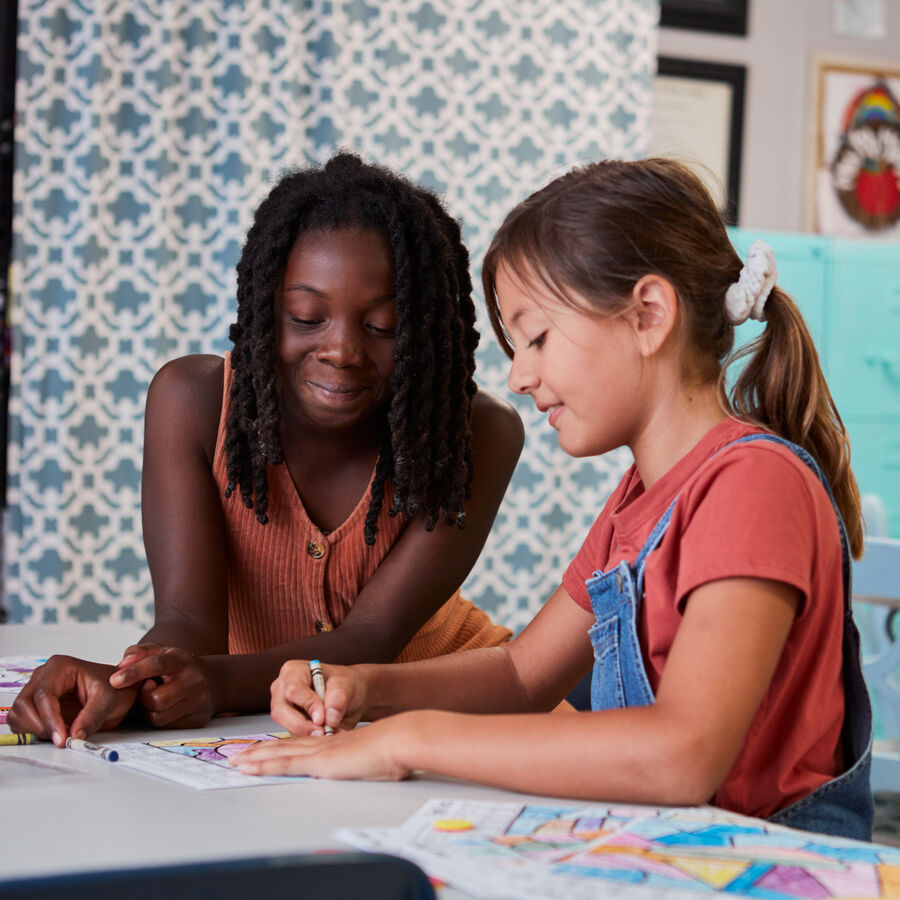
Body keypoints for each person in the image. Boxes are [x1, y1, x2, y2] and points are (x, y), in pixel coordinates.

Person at [232, 158, 873, 841]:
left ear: (648, 316)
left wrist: (406, 741)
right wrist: (365, 685)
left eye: (536, 337)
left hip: (773, 869)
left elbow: (681, 757)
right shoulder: (643, 495)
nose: (519, 375)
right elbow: (521, 675)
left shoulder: (751, 485)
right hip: (676, 856)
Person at [9, 153, 523, 744]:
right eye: (306, 317)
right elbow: (187, 625)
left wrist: (215, 685)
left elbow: (369, 640)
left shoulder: (476, 430)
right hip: (282, 727)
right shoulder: (194, 402)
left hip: (450, 714)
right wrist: (128, 683)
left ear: (427, 328)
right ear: (264, 310)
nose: (342, 350)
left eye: (382, 327)